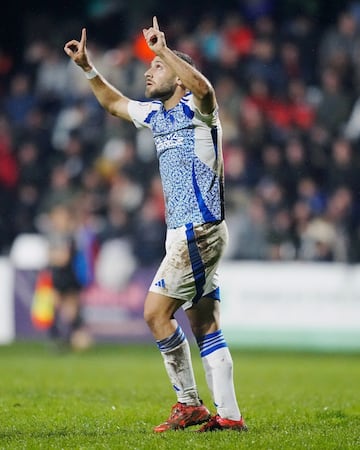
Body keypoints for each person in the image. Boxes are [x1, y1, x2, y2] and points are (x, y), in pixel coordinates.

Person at [64, 16, 247, 433]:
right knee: (205, 323)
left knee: (153, 313)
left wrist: (165, 50)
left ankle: (189, 404)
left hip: (198, 230)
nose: (149, 69)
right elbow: (113, 103)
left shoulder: (200, 111)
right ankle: (230, 417)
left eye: (158, 67)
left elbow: (206, 89)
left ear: (179, 78)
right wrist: (89, 69)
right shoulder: (156, 115)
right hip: (184, 234)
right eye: (151, 65)